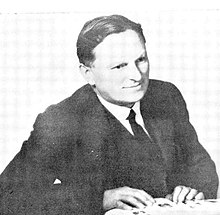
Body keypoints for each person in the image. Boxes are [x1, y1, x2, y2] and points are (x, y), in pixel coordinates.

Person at [0, 14, 218, 215]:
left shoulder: (165, 95)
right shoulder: (61, 121)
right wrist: (100, 199)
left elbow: (198, 162)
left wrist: (192, 188)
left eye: (140, 60)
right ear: (88, 74)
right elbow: (8, 196)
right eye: (119, 66)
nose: (136, 75)